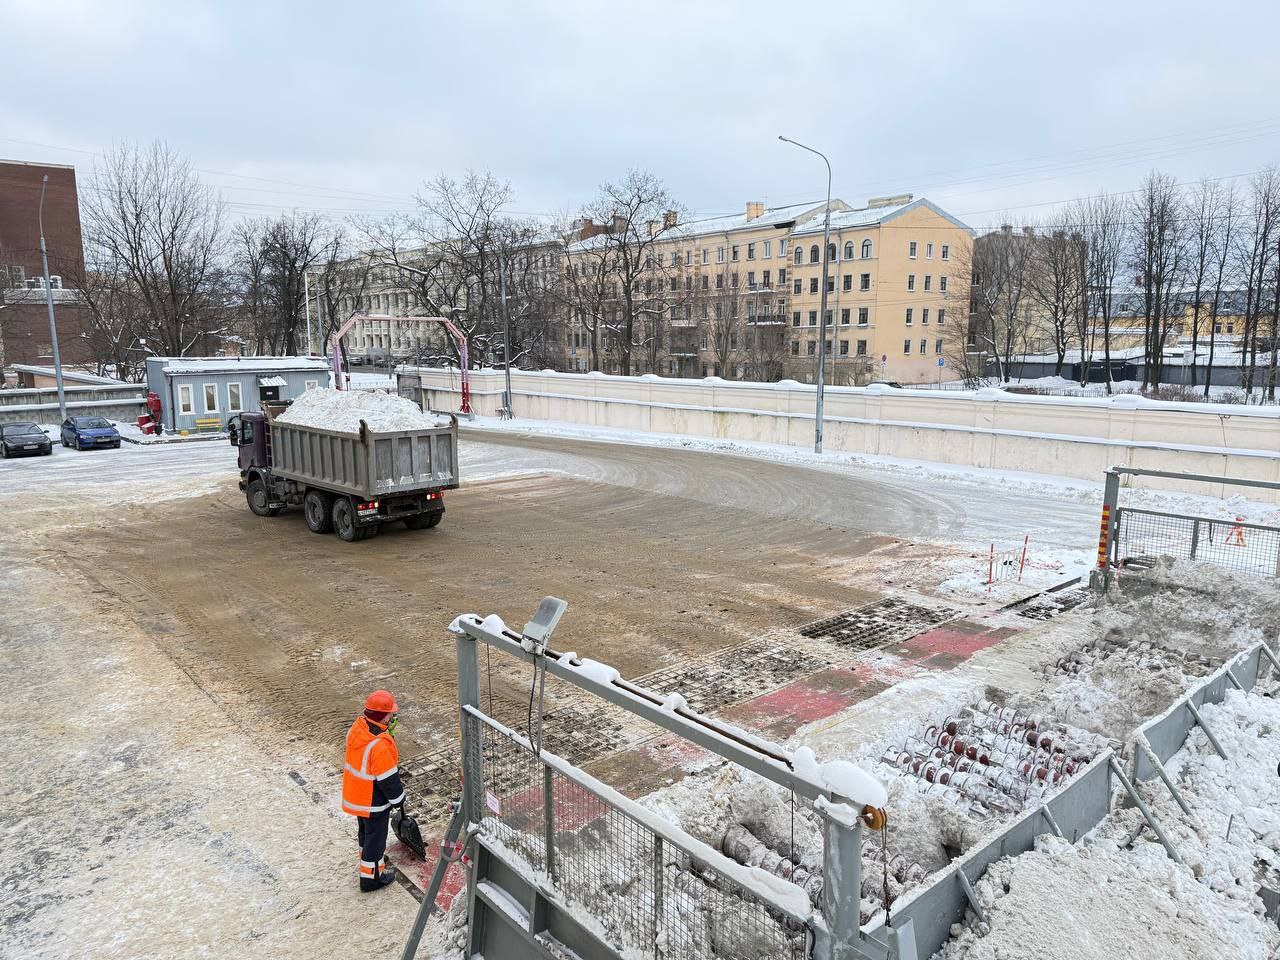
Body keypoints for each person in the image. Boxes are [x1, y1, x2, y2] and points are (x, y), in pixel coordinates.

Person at [341, 689, 405, 892]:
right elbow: (388, 779)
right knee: (375, 840)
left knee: (365, 835)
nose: (392, 717)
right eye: (390, 714)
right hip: (373, 801)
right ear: (383, 716)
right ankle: (372, 879)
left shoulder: (358, 729)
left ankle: (369, 863)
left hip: (357, 794)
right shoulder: (379, 745)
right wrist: (398, 800)